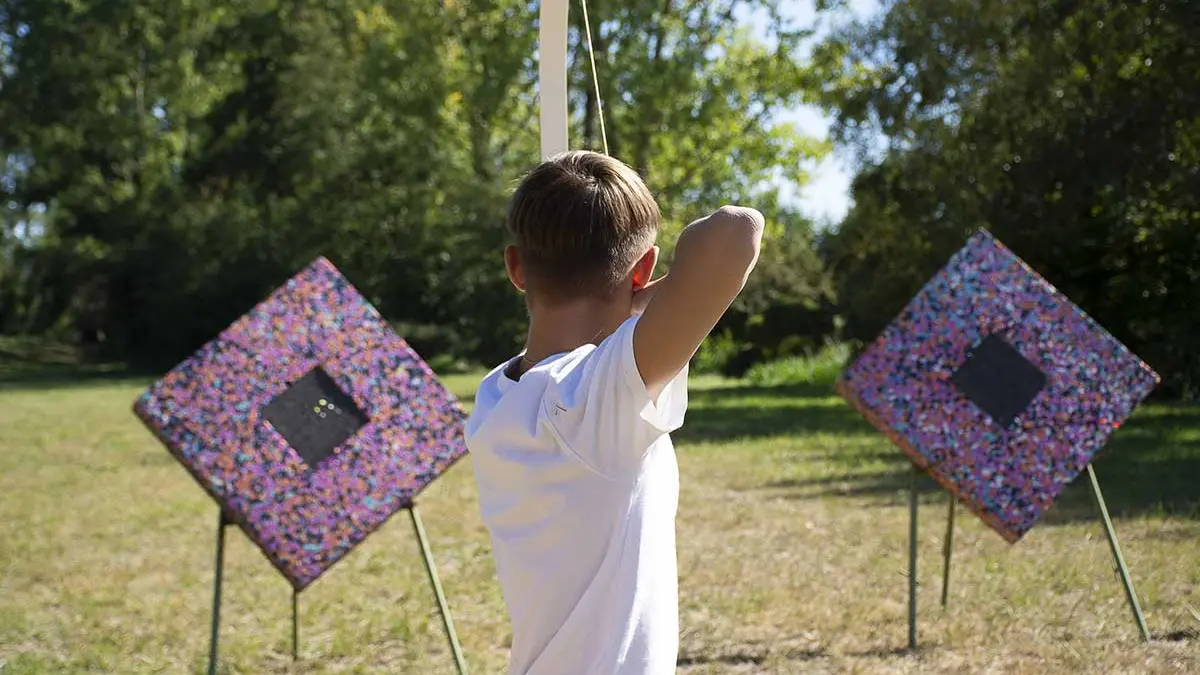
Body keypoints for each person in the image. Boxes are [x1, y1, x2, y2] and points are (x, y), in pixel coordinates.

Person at [465, 150, 764, 675]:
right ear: (644, 270)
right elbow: (737, 231)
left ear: (516, 267)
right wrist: (642, 294)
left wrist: (634, 293)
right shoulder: (594, 399)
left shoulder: (498, 394)